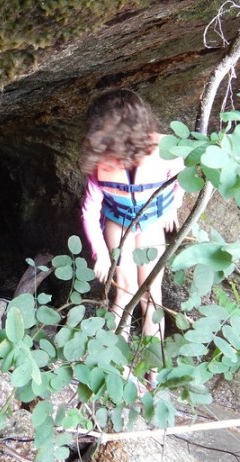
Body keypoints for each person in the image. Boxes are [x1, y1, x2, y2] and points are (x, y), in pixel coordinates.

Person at [80, 90, 184, 376]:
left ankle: (155, 370)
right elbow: (89, 212)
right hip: (119, 223)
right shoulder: (101, 166)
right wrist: (101, 256)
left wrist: (173, 207)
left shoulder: (165, 151)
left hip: (151, 223)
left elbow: (181, 179)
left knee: (152, 294)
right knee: (123, 291)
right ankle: (113, 367)